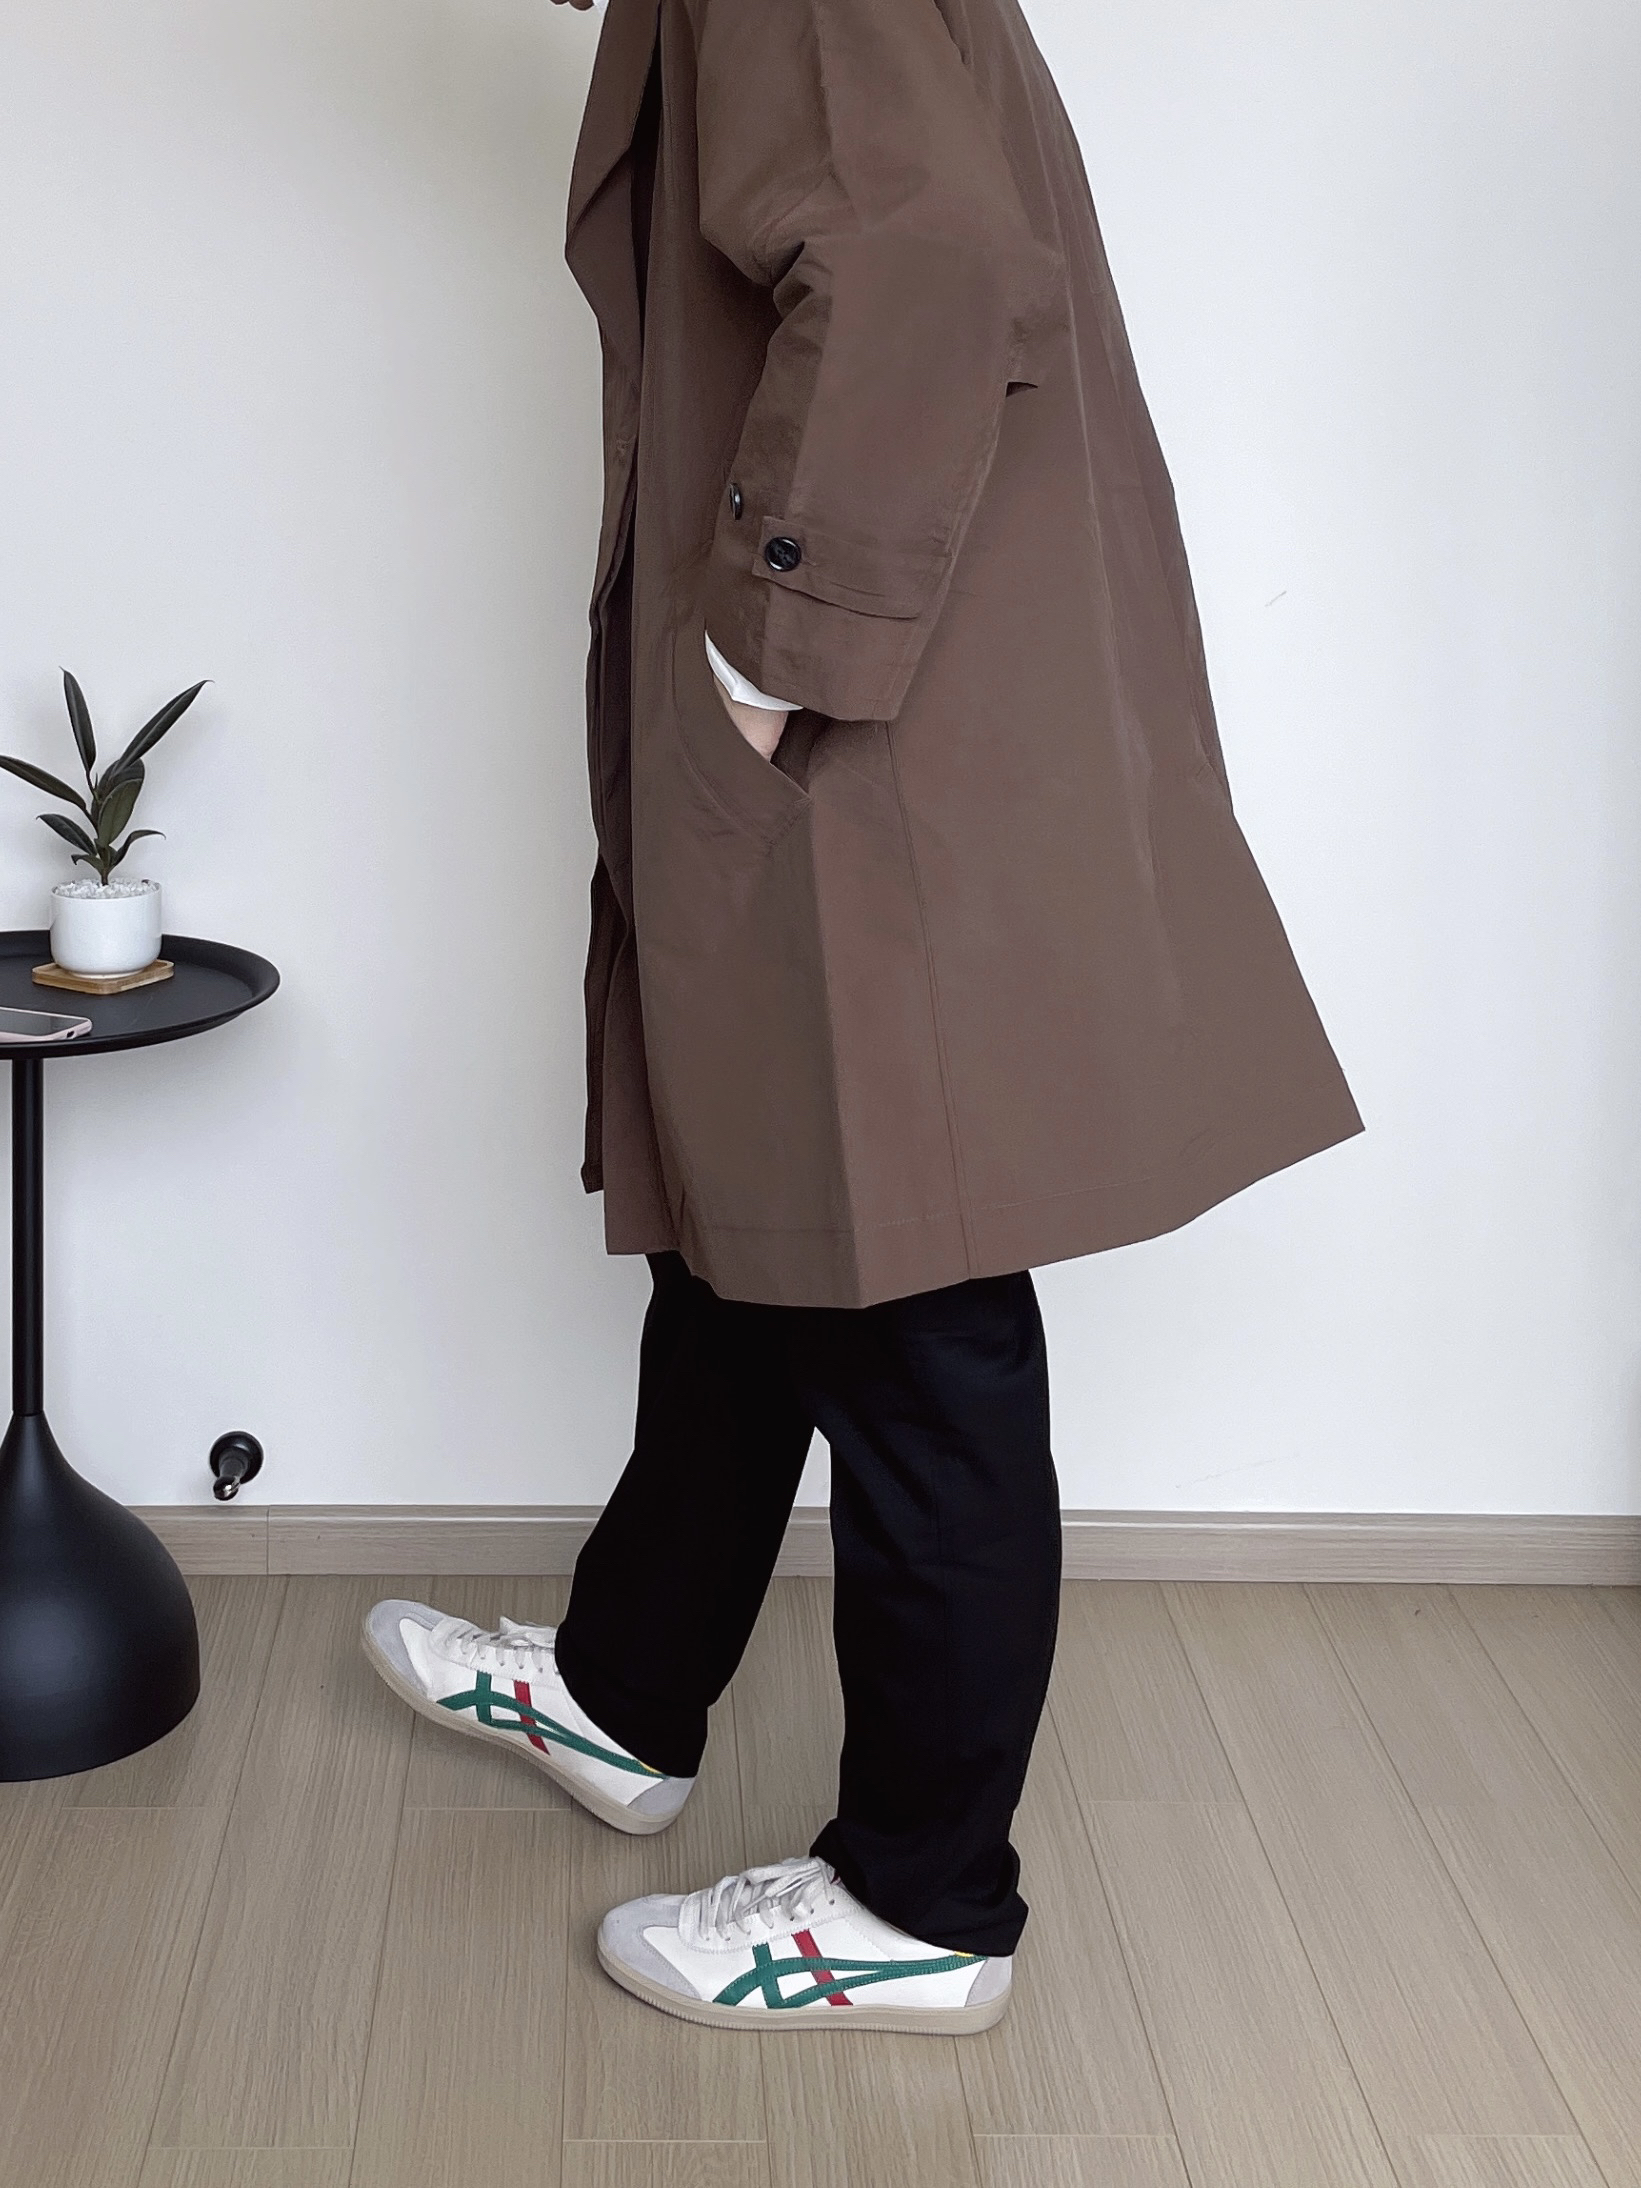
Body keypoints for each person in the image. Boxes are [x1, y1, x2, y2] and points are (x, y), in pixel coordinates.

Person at [365, 0, 1364, 2032]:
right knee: (755, 1211)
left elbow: (919, 260)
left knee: (909, 1307)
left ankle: (920, 1898)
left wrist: (767, 656)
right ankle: (626, 1690)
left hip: (867, 741)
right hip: (866, 731)